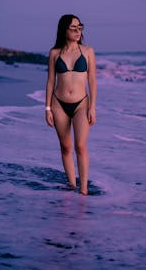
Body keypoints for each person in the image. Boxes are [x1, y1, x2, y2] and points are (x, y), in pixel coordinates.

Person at [45, 14, 97, 195]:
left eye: (80, 27)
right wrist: (47, 109)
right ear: (64, 30)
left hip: (82, 104)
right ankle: (71, 184)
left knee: (80, 146)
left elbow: (92, 81)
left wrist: (92, 107)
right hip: (58, 103)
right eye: (73, 28)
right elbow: (50, 81)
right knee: (65, 146)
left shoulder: (88, 51)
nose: (77, 31)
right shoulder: (54, 53)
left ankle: (83, 190)